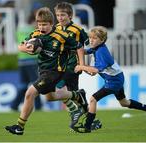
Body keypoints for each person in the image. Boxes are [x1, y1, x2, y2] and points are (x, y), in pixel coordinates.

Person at [5, 7, 87, 135]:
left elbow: (79, 47)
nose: (41, 27)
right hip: (43, 70)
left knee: (30, 93)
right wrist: (26, 49)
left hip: (55, 71)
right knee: (50, 97)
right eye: (39, 24)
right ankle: (77, 95)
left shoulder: (61, 36)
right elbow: (20, 45)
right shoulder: (35, 34)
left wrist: (82, 65)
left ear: (51, 24)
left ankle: (19, 126)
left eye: (44, 24)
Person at [73, 26, 146, 133]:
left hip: (113, 81)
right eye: (90, 37)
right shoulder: (97, 48)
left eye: (94, 38)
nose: (91, 40)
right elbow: (85, 52)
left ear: (102, 40)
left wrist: (81, 67)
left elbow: (95, 71)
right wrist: (75, 49)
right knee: (124, 102)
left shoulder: (101, 52)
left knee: (92, 99)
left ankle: (87, 127)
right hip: (117, 78)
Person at [45, 2, 102, 130]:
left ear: (70, 15)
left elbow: (88, 46)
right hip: (59, 65)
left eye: (63, 15)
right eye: (58, 15)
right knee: (74, 95)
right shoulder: (55, 28)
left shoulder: (78, 30)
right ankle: (92, 120)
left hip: (72, 65)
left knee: (56, 87)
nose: (60, 17)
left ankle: (73, 111)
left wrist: (84, 65)